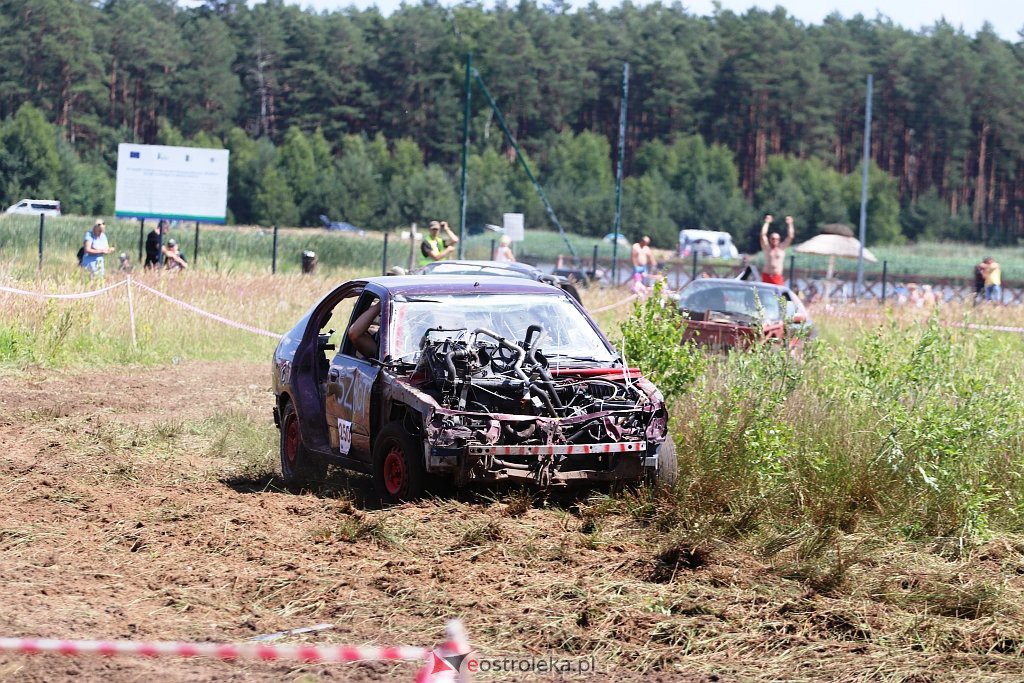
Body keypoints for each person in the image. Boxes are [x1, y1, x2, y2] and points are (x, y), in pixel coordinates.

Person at [759, 214, 794, 285]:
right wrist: (767, 222)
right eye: (773, 239)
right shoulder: (767, 248)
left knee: (778, 295)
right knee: (764, 295)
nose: (775, 240)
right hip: (766, 275)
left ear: (779, 240)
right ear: (770, 239)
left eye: (777, 239)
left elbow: (790, 236)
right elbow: (763, 235)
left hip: (777, 276)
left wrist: (790, 224)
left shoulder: (782, 248)